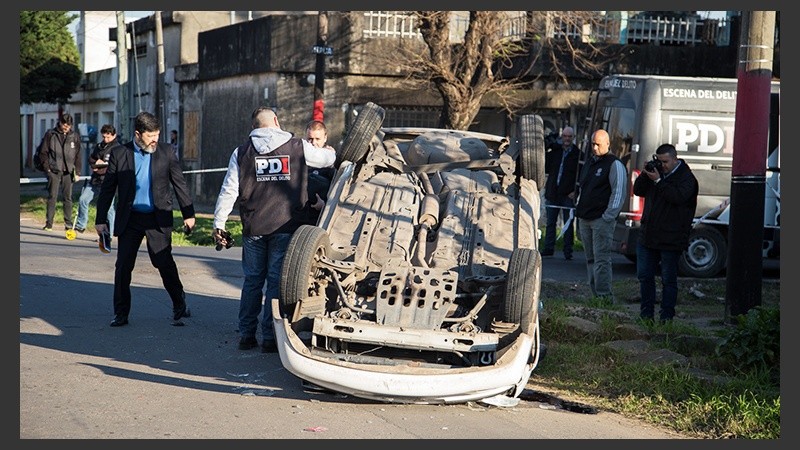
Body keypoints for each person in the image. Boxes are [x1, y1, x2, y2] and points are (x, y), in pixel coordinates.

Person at [213, 107, 336, 352]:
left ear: (254, 127)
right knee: (275, 282)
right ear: (277, 121)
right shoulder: (298, 147)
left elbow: (229, 190)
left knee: (252, 281)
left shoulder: (241, 152)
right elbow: (328, 160)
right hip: (286, 225)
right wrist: (331, 152)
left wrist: (219, 223)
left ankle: (247, 335)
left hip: (254, 227)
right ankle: (270, 337)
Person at [94, 112, 196, 327]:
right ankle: (121, 313)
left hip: (157, 217)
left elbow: (179, 183)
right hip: (130, 218)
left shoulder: (166, 152)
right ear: (138, 134)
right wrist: (100, 219)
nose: (155, 140)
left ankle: (179, 302)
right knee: (123, 266)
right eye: (151, 136)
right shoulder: (120, 153)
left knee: (163, 262)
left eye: (157, 135)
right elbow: (108, 189)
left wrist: (189, 214)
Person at [634, 144, 698, 324]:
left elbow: (677, 197)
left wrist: (658, 181)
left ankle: (666, 318)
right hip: (648, 235)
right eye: (659, 161)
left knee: (668, 280)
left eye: (665, 162)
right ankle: (646, 316)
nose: (662, 166)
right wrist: (645, 175)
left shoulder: (687, 178)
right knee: (645, 276)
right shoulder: (657, 174)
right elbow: (638, 191)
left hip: (671, 238)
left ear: (675, 159)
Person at [575, 129, 627, 302]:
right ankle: (595, 295)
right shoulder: (590, 162)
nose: (595, 147)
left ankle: (604, 297)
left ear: (607, 144)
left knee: (601, 259)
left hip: (601, 219)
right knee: (590, 259)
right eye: (593, 144)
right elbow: (583, 188)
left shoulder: (614, 164)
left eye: (598, 144)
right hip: (585, 217)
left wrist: (608, 217)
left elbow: (618, 192)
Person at [37, 113, 82, 231]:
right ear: (60, 123)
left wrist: (77, 171)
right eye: (64, 125)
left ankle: (68, 224)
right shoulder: (51, 134)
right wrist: (47, 169)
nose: (66, 127)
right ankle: (49, 223)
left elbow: (78, 155)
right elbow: (43, 152)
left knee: (68, 198)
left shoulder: (74, 136)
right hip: (54, 170)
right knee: (52, 196)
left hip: (68, 171)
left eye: (69, 125)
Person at [541, 126, 580, 260]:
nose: (567, 139)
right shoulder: (555, 152)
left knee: (568, 224)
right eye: (565, 136)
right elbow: (544, 165)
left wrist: (576, 191)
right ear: (561, 137)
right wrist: (547, 146)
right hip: (553, 192)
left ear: (573, 138)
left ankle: (568, 251)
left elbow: (581, 175)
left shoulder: (577, 154)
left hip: (568, 194)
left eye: (569, 136)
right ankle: (548, 249)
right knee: (550, 222)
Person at [75, 124, 120, 234]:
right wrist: (95, 163)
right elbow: (91, 158)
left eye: (108, 137)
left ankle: (110, 233)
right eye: (104, 137)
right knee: (83, 199)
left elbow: (114, 166)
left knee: (109, 208)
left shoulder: (118, 149)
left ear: (114, 135)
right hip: (95, 181)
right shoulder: (99, 146)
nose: (106, 139)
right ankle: (81, 225)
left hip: (108, 182)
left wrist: (101, 166)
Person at [305, 120, 337, 221]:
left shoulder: (333, 163)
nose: (313, 143)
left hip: (322, 217)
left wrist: (325, 205)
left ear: (325, 138)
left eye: (317, 139)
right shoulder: (299, 157)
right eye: (310, 139)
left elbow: (339, 191)